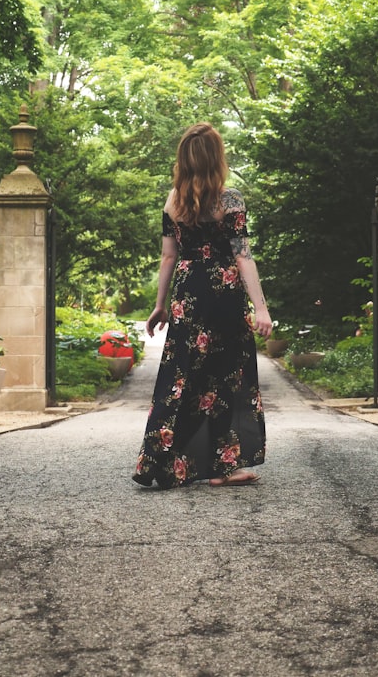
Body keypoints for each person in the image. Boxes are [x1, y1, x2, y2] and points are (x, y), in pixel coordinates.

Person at [132, 122, 272, 489]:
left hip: (187, 295)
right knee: (225, 377)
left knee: (180, 378)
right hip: (223, 293)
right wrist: (261, 308)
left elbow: (168, 258)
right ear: (217, 158)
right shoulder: (231, 200)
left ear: (184, 160)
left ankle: (156, 461)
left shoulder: (173, 202)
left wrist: (160, 305)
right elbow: (243, 258)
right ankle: (222, 467)